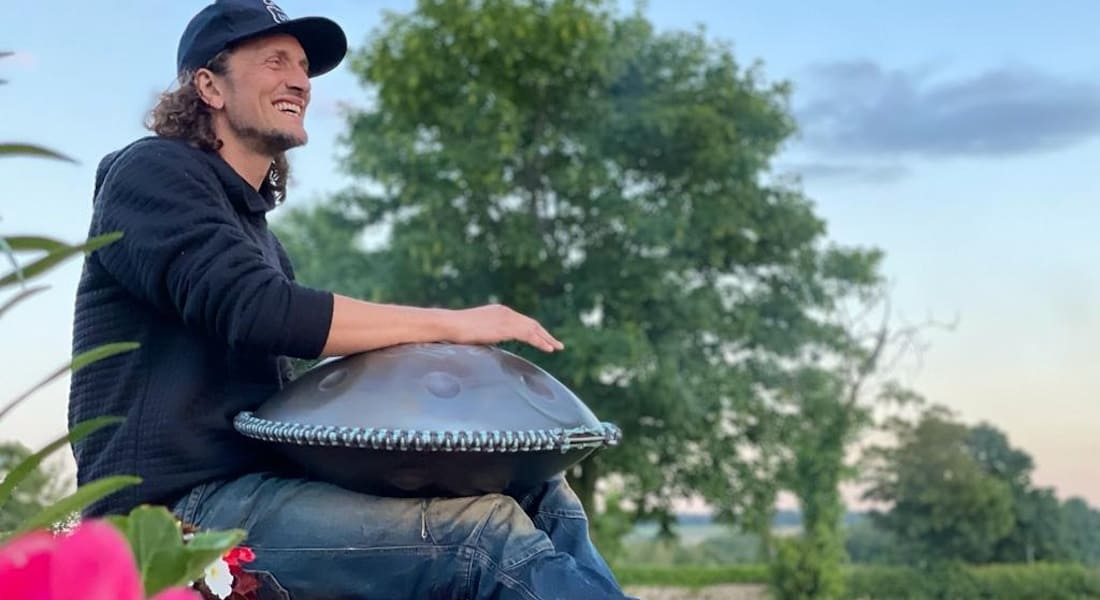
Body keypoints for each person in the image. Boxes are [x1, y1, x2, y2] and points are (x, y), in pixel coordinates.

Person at [67, 1, 631, 598]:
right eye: (274, 61)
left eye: (305, 66)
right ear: (208, 85)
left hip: (257, 482)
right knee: (480, 536)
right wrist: (453, 325)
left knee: (538, 487)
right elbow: (259, 309)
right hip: (170, 511)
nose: (299, 81)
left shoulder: (257, 234)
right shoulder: (150, 174)